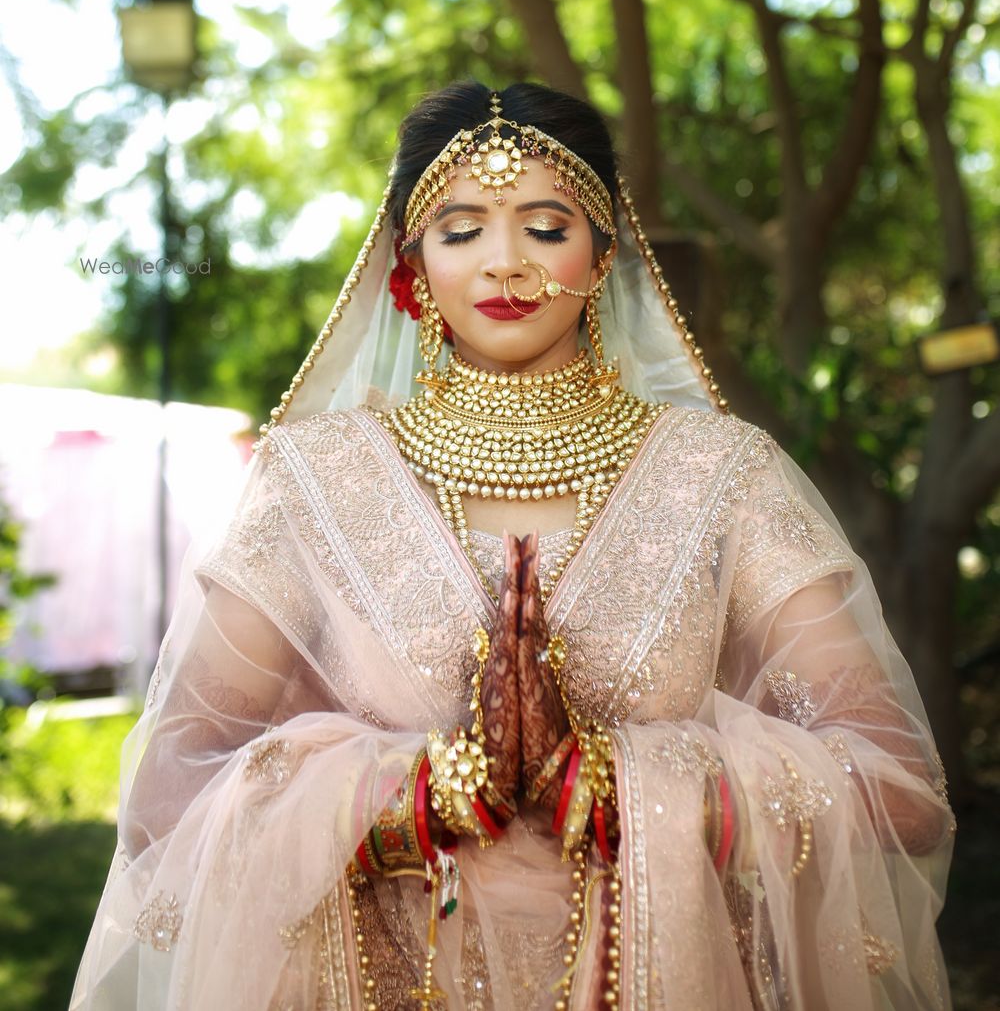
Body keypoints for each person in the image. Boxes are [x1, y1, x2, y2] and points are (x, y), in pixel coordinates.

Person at [71, 81, 956, 1011]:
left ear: (606, 250)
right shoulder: (316, 482)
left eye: (544, 226)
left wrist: (643, 787)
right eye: (461, 231)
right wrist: (408, 799)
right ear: (409, 265)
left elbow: (899, 783)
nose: (505, 265)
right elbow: (167, 795)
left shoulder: (720, 474)